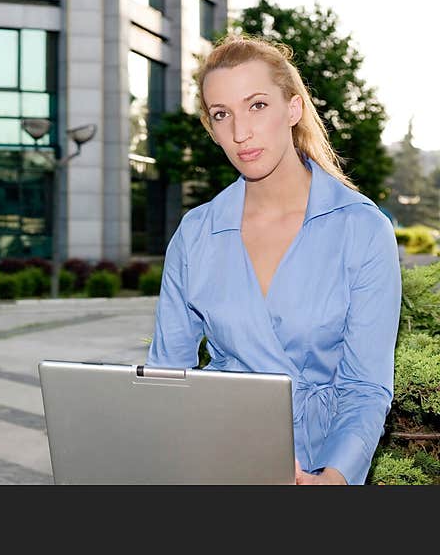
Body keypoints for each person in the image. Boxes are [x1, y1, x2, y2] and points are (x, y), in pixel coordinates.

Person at [147, 35, 400, 485]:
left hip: (322, 464)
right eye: (222, 115)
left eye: (257, 105)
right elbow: (168, 376)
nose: (240, 132)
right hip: (214, 460)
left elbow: (365, 387)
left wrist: (334, 480)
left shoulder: (362, 229)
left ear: (293, 109)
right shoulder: (196, 233)